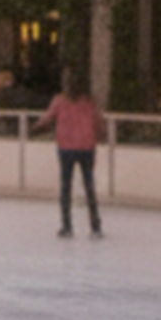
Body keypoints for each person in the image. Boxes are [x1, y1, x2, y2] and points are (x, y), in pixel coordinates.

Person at [35, 66, 106, 237]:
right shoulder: (89, 102)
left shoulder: (60, 101)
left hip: (66, 148)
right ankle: (95, 225)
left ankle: (67, 226)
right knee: (89, 186)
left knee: (65, 187)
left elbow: (47, 119)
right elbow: (99, 121)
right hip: (86, 148)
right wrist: (102, 135)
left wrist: (34, 128)